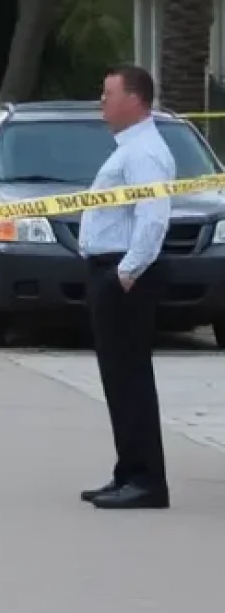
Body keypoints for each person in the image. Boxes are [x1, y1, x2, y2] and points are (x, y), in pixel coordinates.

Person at [79, 64, 175, 510]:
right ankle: (128, 472)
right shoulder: (130, 148)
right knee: (118, 381)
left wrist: (126, 272)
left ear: (134, 99)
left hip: (126, 276)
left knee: (130, 379)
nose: (102, 101)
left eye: (108, 93)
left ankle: (146, 481)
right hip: (113, 270)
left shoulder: (144, 153)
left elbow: (152, 218)